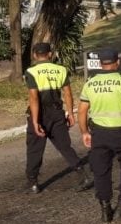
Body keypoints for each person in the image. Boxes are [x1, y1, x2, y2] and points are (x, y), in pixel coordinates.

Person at [78, 48, 121, 223]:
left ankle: (105, 208)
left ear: (100, 64)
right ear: (117, 62)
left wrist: (84, 132)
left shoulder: (90, 83)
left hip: (99, 133)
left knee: (101, 171)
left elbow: (82, 111)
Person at [25, 42, 93, 194]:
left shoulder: (31, 71)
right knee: (65, 146)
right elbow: (67, 93)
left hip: (40, 114)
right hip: (57, 113)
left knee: (35, 149)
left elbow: (34, 98)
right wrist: (70, 113)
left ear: (35, 55)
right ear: (50, 54)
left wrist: (35, 121)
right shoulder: (61, 70)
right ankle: (82, 174)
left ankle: (33, 182)